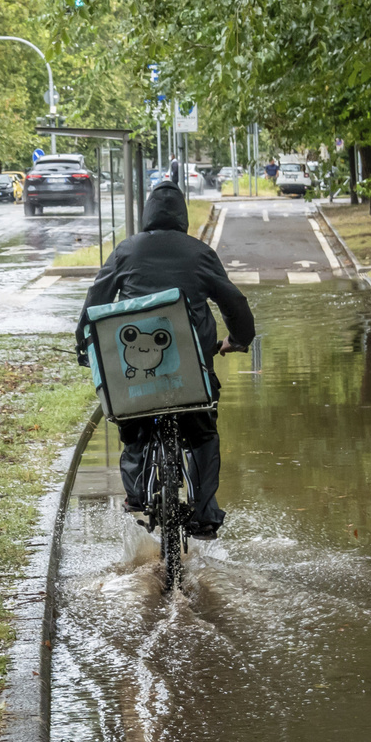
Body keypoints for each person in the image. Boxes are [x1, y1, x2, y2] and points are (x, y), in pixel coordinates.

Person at [75, 181, 255, 540]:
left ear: (146, 215)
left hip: (135, 382)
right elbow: (233, 303)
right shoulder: (200, 253)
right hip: (191, 372)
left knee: (133, 423)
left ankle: (136, 493)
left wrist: (84, 344)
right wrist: (238, 340)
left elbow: (96, 301)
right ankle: (203, 513)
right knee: (203, 433)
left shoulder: (126, 251)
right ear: (184, 217)